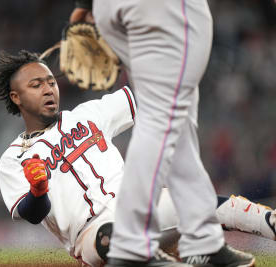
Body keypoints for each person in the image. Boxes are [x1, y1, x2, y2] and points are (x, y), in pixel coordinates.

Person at [0, 50, 276, 267]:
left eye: (50, 81)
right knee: (116, 241)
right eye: (36, 85)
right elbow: (33, 213)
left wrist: (128, 55)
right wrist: (38, 190)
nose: (48, 88)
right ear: (16, 97)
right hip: (93, 234)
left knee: (215, 205)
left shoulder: (88, 114)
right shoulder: (14, 158)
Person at [69, 1, 257, 266]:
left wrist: (85, 5)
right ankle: (131, 244)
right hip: (163, 8)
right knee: (161, 118)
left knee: (177, 118)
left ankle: (202, 239)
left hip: (114, 8)